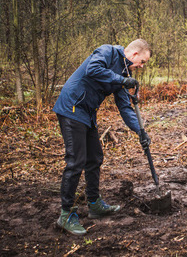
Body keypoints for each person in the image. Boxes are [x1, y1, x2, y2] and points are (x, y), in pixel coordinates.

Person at [53, 39, 152, 235]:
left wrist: (140, 130)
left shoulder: (125, 74)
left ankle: (94, 204)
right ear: (133, 55)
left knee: (95, 158)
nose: (141, 67)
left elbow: (124, 106)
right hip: (72, 107)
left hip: (87, 113)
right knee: (76, 161)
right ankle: (65, 215)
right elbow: (93, 69)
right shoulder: (107, 52)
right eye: (142, 62)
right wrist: (121, 80)